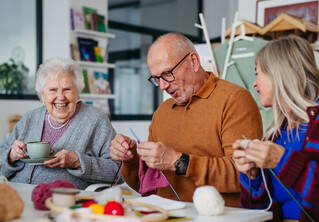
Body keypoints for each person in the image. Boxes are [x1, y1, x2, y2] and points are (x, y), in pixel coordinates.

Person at [110, 33, 263, 208]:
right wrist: (130, 160)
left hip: (221, 220)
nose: (163, 86)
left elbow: (246, 176)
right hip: (166, 216)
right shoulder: (162, 112)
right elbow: (147, 185)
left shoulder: (234, 99)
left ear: (193, 61)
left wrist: (178, 162)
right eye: (157, 78)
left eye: (167, 73)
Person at [233, 35, 319, 222]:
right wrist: (253, 176)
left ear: (279, 73)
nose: (254, 84)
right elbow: (256, 213)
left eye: (258, 74)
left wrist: (283, 162)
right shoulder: (274, 136)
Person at [0, 57, 120, 190]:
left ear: (77, 92)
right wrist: (10, 156)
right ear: (42, 95)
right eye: (53, 90)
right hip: (14, 193)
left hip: (58, 201)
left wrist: (78, 162)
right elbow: (2, 156)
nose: (61, 96)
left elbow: (119, 171)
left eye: (67, 89)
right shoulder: (30, 117)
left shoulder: (96, 119)